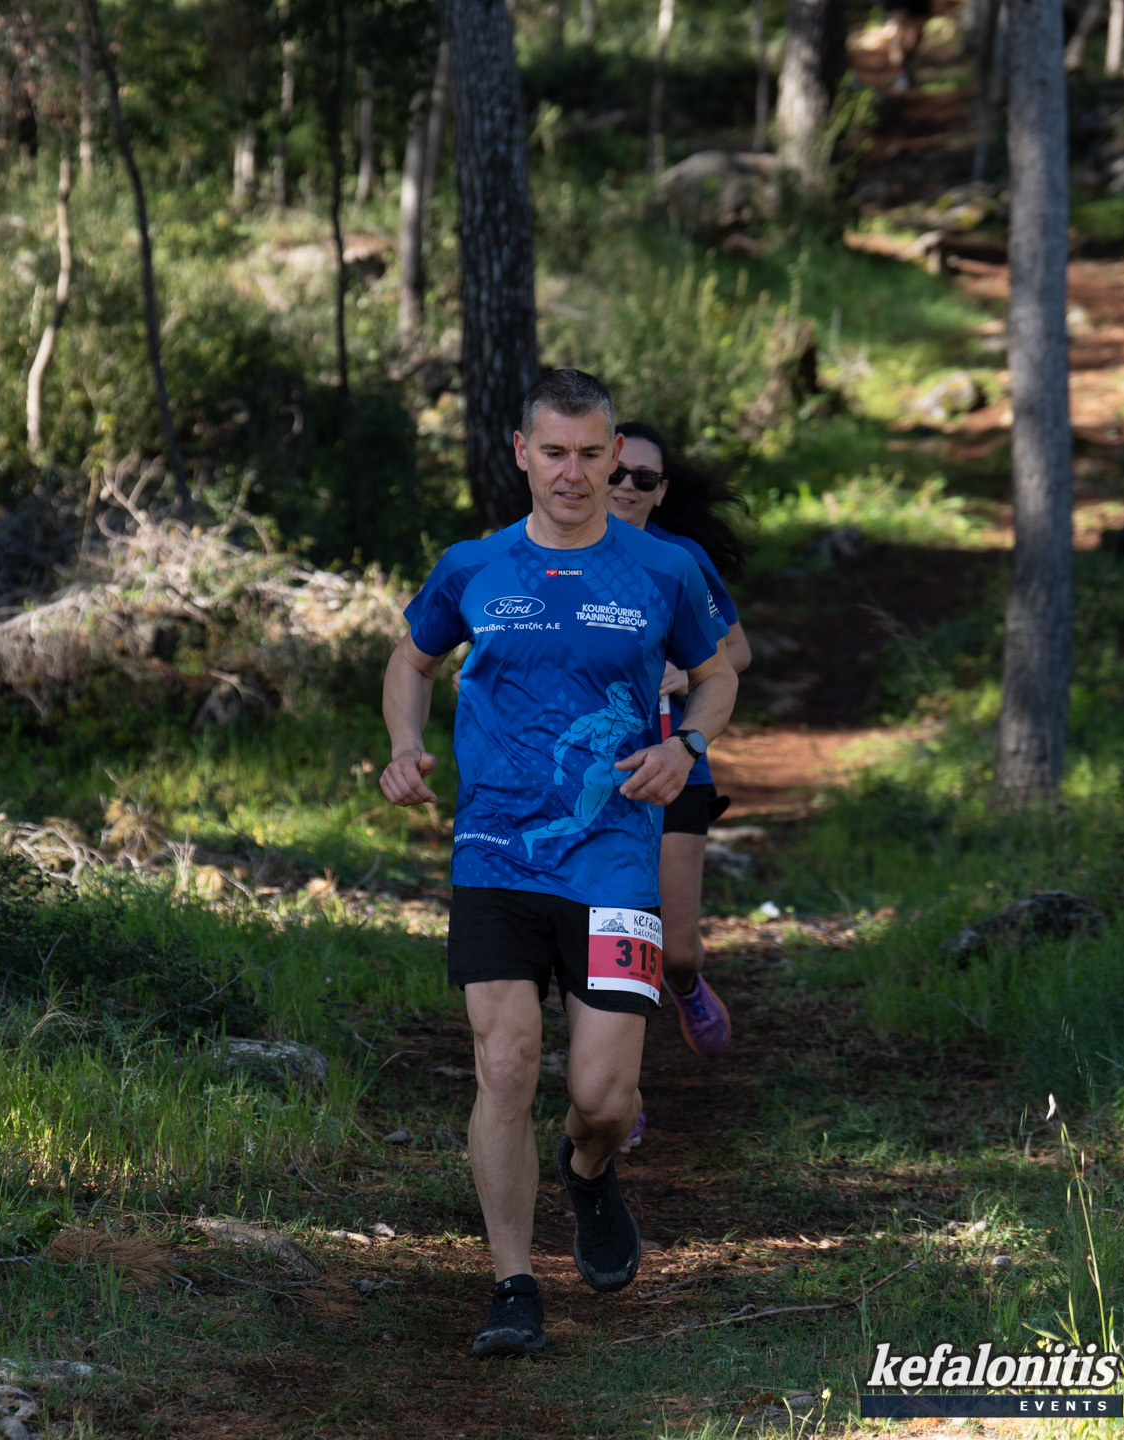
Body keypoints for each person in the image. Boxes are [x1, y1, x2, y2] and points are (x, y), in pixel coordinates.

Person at [379, 370, 738, 1358]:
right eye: (554, 454)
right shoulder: (473, 567)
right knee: (503, 1063)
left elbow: (716, 677)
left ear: (615, 455)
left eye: (590, 455)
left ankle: (588, 1172)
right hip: (495, 851)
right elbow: (411, 659)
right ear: (521, 454)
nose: (572, 474)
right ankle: (513, 1286)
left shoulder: (661, 570)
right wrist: (405, 744)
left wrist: (687, 747)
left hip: (616, 862)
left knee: (603, 1100)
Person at [607, 421, 753, 1080]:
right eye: (616, 472)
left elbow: (736, 652)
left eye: (643, 478)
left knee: (678, 951)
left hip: (677, 767)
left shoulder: (681, 559)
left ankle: (688, 985)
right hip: (596, 775)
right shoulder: (555, 555)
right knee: (614, 948)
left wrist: (684, 673)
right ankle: (618, 1093)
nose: (626, 487)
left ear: (661, 491)